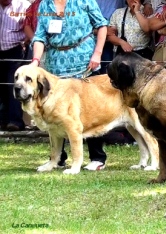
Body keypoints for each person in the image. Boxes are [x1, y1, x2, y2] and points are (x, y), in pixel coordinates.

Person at [30, 0, 109, 171]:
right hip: (55, 68)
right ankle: (58, 159)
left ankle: (97, 158)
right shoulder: (45, 5)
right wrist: (35, 61)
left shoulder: (84, 1)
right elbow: (39, 36)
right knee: (55, 112)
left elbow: (102, 25)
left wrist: (98, 53)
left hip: (85, 62)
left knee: (89, 109)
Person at [0, 0, 30, 131]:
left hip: (16, 50)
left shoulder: (23, 6)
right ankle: (2, 121)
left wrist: (27, 41)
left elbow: (32, 26)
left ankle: (15, 121)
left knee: (14, 86)